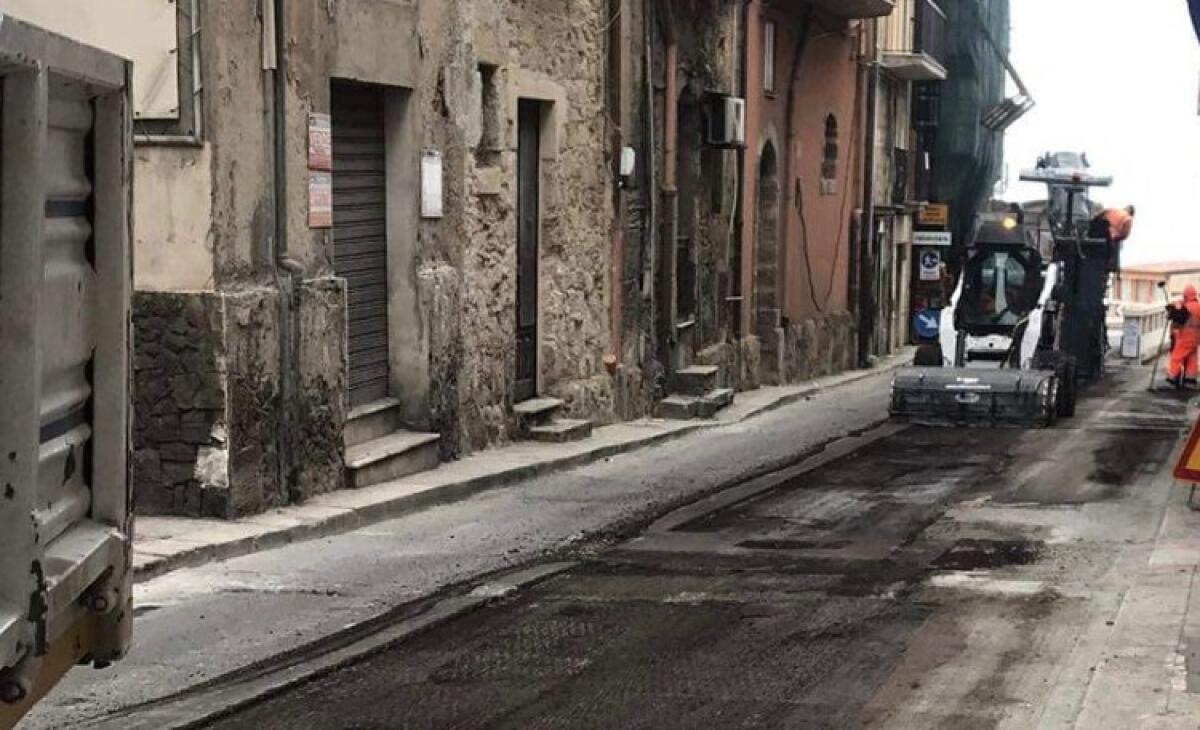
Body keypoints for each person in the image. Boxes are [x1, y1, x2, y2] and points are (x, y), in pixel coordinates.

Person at [1166, 284, 1200, 388]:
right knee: (1192, 358)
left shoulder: (1186, 307)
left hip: (1185, 337)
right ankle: (1190, 379)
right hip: (1196, 338)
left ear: (1186, 295)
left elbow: (1178, 321)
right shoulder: (1198, 306)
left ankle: (1173, 377)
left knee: (1176, 357)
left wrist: (1171, 312)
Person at [1089, 205, 1136, 271]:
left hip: (1096, 229)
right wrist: (1116, 238)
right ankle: (1107, 267)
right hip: (1107, 236)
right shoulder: (1128, 218)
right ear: (1131, 214)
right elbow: (1125, 234)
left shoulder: (1113, 210)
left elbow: (1100, 215)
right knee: (1109, 257)